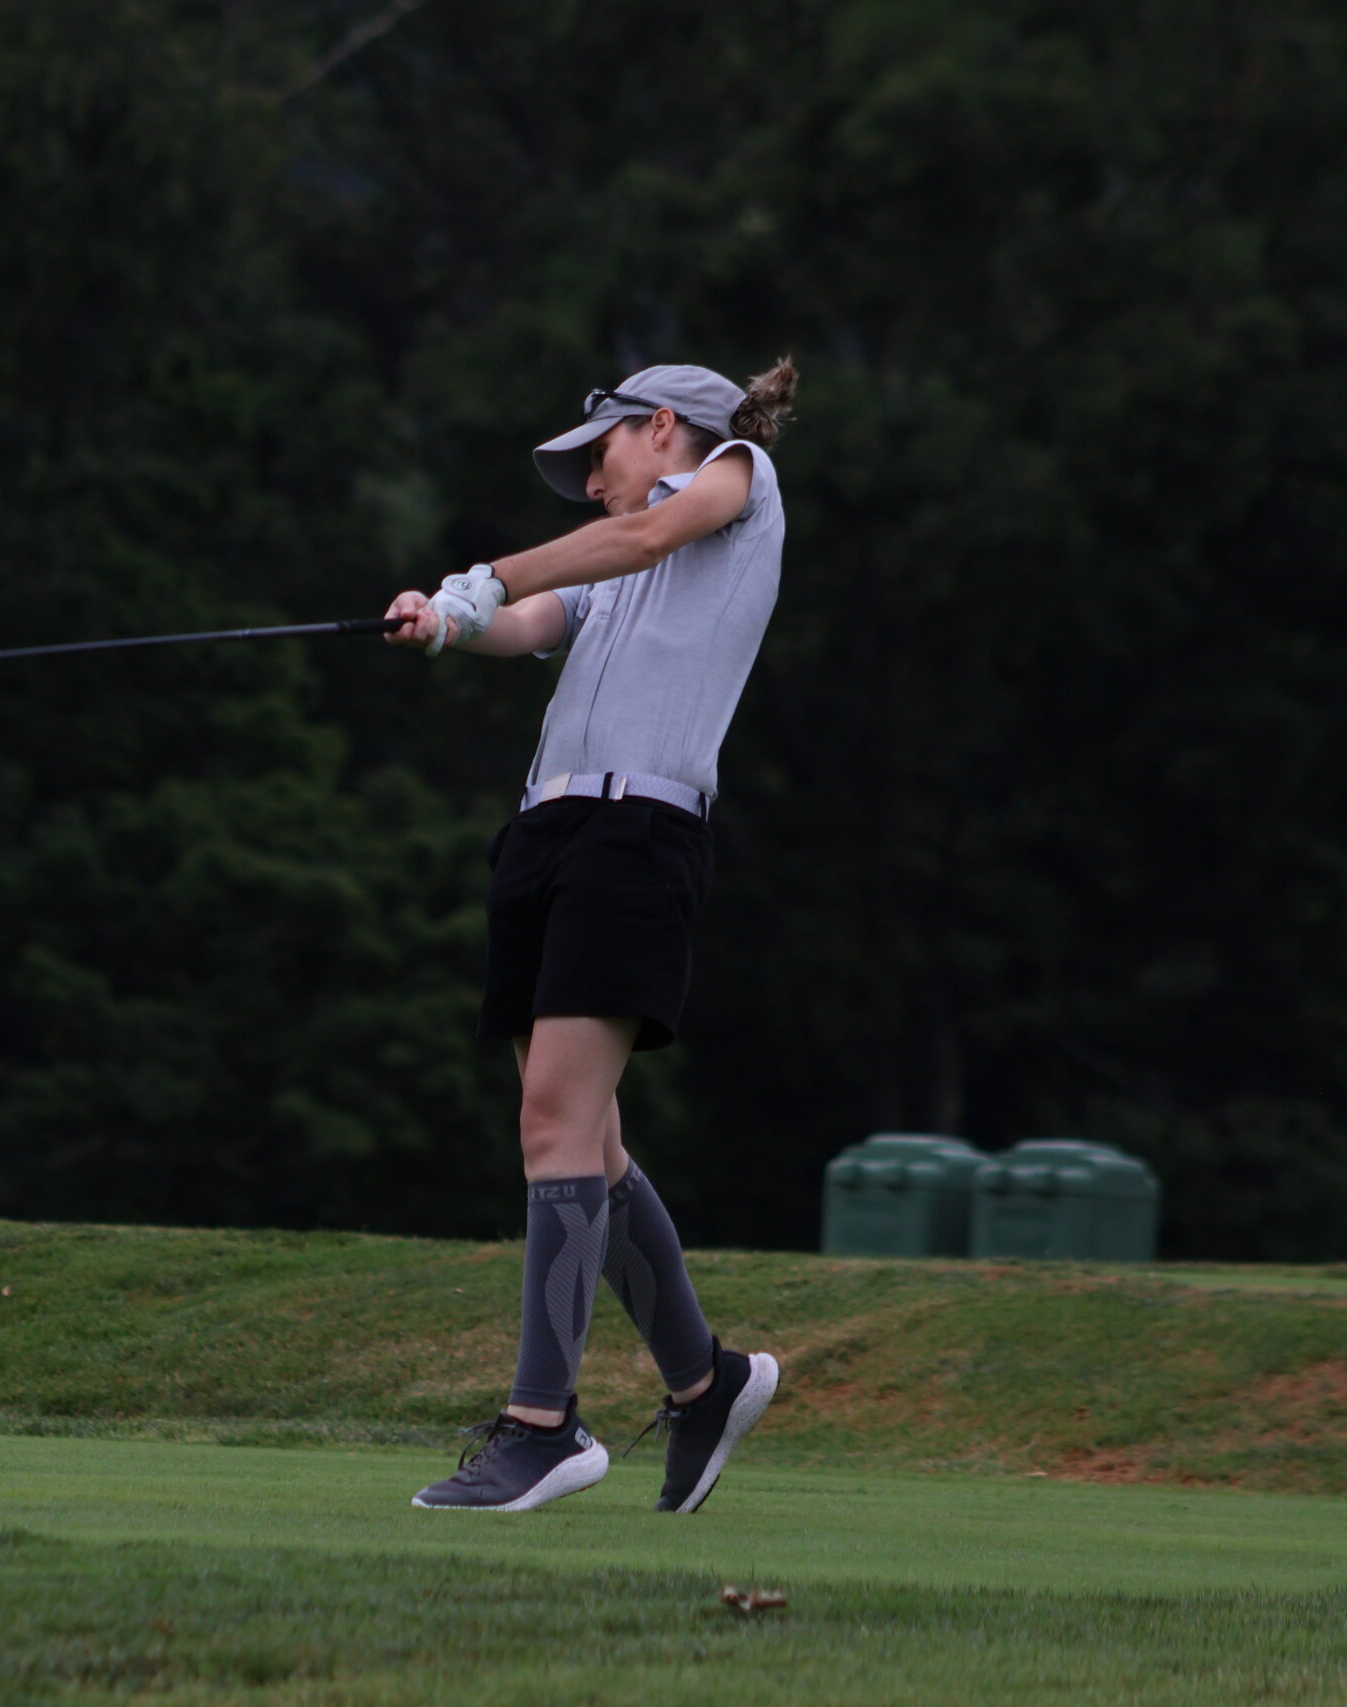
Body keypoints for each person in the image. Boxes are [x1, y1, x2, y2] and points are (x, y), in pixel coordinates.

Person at [385, 359, 797, 1514]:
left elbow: (619, 548)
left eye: (599, 455)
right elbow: (528, 623)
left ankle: (544, 1423)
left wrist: (486, 571)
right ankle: (705, 1382)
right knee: (588, 1145)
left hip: (638, 833)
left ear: (662, 427)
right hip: (545, 834)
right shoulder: (615, 565)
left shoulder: (734, 481)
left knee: (552, 1122)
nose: (590, 484)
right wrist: (448, 623)